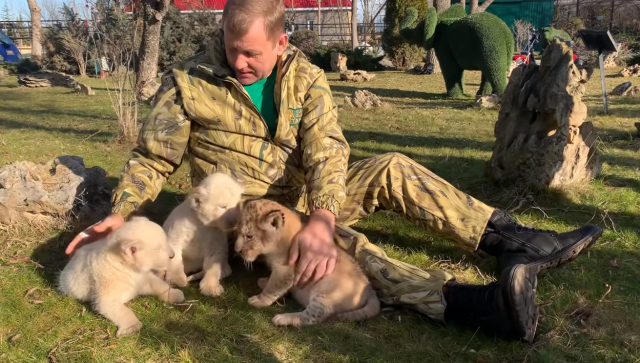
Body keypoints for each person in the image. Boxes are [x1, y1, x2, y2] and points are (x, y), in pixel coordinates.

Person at [65, 0, 603, 343]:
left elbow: (327, 148)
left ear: (280, 42)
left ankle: (512, 238)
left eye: (252, 53)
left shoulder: (304, 77)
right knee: (346, 250)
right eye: (232, 50)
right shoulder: (189, 82)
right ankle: (473, 305)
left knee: (390, 168)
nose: (241, 62)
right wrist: (121, 213)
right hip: (250, 223)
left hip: (303, 200)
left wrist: (320, 216)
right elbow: (154, 157)